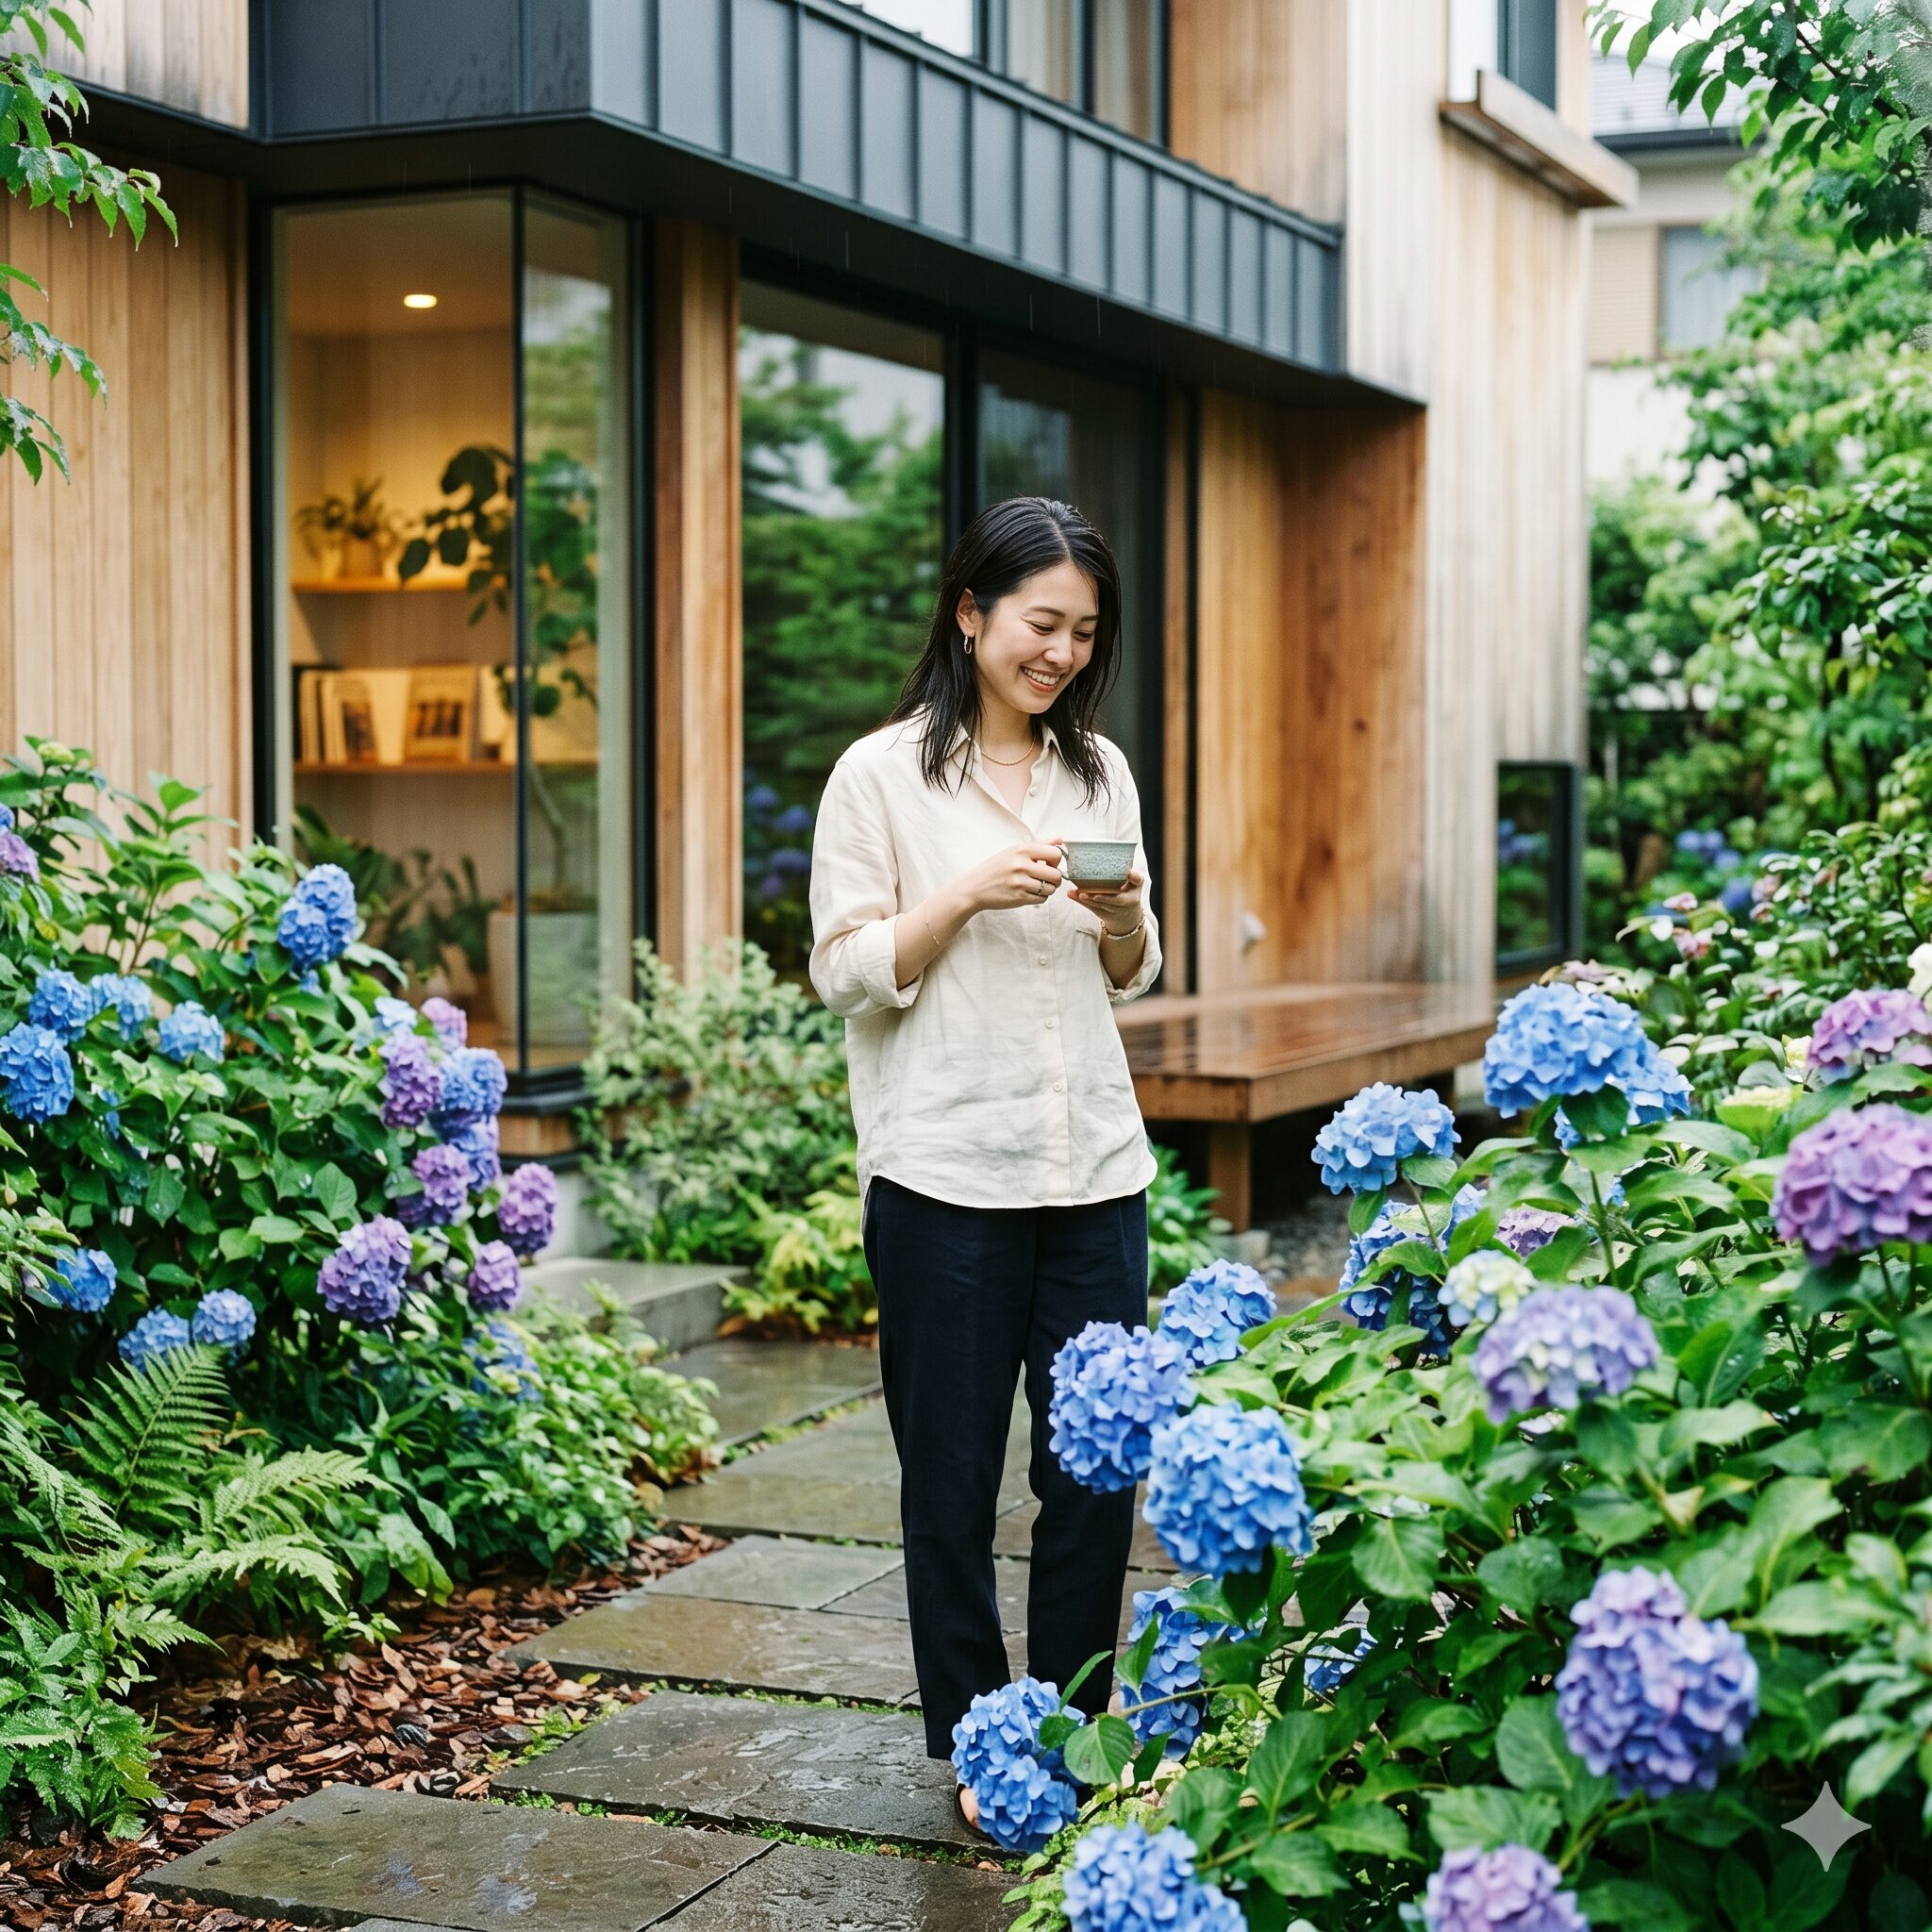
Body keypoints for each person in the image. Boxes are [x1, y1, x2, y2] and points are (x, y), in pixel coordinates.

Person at [808, 495, 1160, 1827]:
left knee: (1092, 1478)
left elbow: (1136, 970)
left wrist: (1121, 915)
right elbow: (846, 969)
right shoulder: (880, 777)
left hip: (1093, 1174)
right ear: (971, 615)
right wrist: (961, 895)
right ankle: (978, 1748)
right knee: (948, 1483)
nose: (1061, 654)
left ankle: (1073, 1737)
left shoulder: (1100, 773)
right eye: (1039, 624)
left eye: (1082, 632)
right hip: (945, 1179)